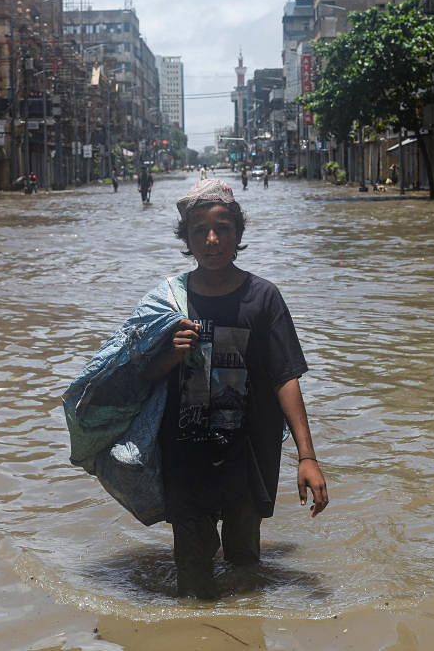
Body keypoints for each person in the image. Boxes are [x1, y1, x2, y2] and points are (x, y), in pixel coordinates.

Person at [121, 180, 325, 598]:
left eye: (223, 229)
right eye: (200, 230)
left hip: (248, 454)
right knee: (193, 571)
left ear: (238, 234)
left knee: (245, 564)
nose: (212, 240)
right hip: (186, 454)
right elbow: (139, 375)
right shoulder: (169, 303)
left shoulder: (263, 297)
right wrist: (170, 356)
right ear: (187, 239)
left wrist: (307, 456)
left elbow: (285, 376)